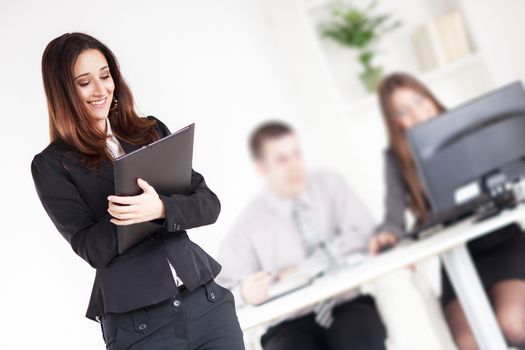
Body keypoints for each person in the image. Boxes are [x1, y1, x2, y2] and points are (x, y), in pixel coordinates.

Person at [30, 32, 244, 350]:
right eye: (84, 82)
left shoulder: (149, 131)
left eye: (105, 76)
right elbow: (91, 249)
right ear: (63, 92)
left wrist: (160, 209)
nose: (101, 90)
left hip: (207, 304)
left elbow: (207, 204)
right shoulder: (52, 165)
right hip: (141, 325)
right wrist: (130, 212)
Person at [374, 72, 525, 349]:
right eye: (403, 111)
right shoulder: (396, 159)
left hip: (503, 243)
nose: (418, 113)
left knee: (512, 323)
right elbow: (393, 218)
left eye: (419, 100)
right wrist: (387, 234)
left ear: (429, 96)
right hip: (458, 257)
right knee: (469, 342)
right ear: (395, 121)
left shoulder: (466, 128)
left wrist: (430, 218)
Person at [217, 121, 387, 350]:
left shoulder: (329, 185)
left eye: (296, 154)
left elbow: (365, 233)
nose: (295, 166)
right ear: (261, 168)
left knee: (360, 337)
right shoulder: (248, 227)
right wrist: (245, 294)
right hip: (288, 324)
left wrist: (305, 268)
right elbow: (221, 294)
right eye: (282, 160)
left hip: (347, 305)